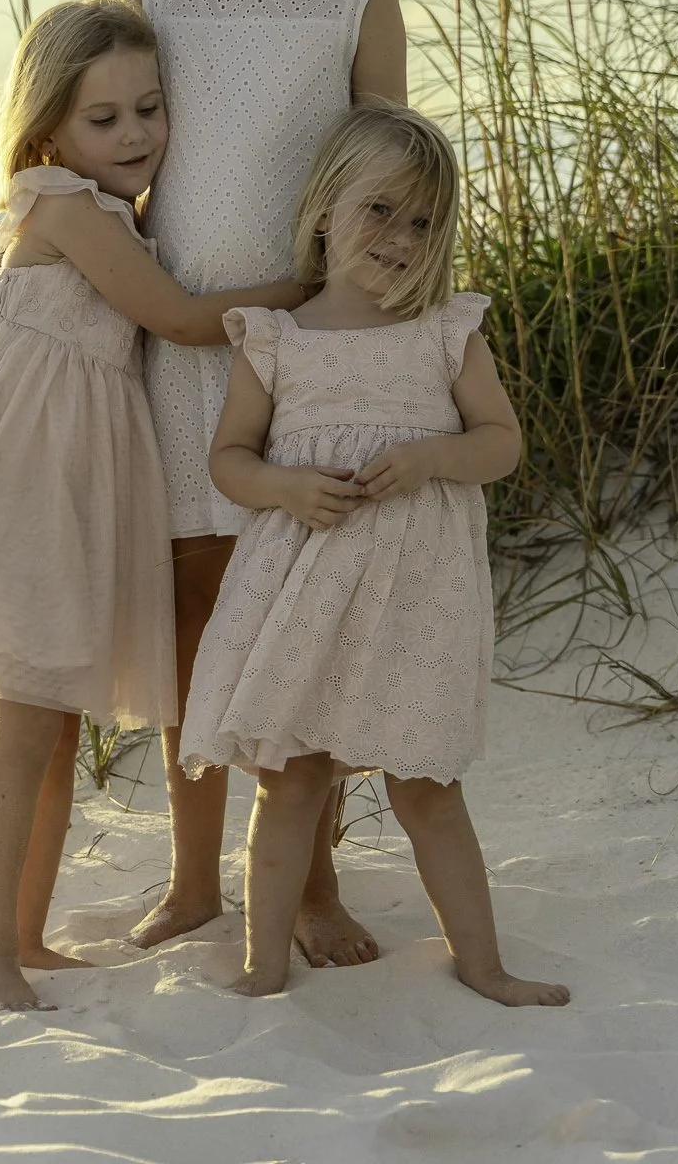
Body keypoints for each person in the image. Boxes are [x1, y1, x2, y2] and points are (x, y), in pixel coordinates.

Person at [0, 0, 305, 1012]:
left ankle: (24, 931)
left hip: (70, 486)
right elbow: (186, 319)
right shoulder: (68, 209)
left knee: (51, 723)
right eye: (105, 119)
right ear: (49, 128)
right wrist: (312, 288)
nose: (138, 134)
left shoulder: (98, 212)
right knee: (25, 725)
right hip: (26, 488)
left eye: (151, 107)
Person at [180, 105, 571, 1006]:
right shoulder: (275, 338)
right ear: (325, 209)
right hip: (307, 583)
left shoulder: (443, 331)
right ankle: (261, 966)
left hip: (417, 594)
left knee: (427, 783)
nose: (400, 237)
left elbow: (501, 444)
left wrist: (435, 457)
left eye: (424, 220)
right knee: (294, 780)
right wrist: (283, 486)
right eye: (381, 210)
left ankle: (483, 965)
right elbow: (229, 461)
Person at [120, 0, 406, 964]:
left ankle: (313, 877)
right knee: (194, 608)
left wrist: (369, 324)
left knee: (299, 613)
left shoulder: (359, 0)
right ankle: (194, 877)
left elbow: (394, 176)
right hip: (177, 338)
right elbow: (97, 150)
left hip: (305, 346)